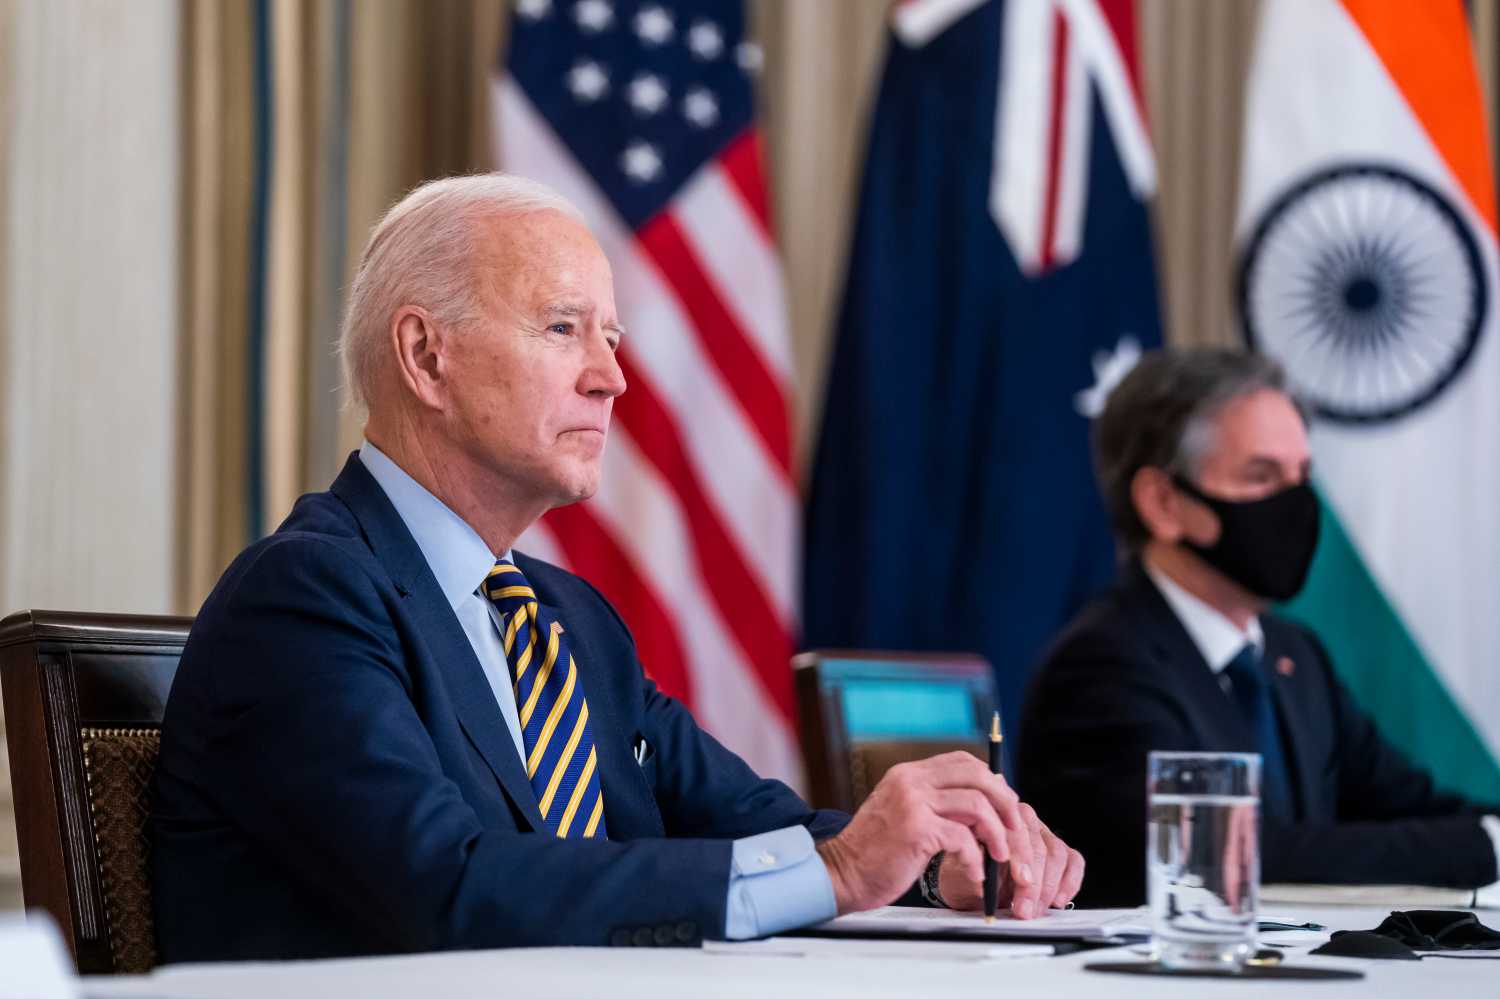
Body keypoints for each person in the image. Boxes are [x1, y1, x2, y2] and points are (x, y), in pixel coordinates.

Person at [150, 174, 1083, 962]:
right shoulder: (308, 595)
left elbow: (750, 819)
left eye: (613, 339)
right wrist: (841, 873)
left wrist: (931, 856)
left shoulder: (572, 621)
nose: (611, 377)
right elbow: (444, 886)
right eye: (563, 329)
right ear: (426, 356)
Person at [1017, 348, 1500, 906]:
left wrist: (1485, 832)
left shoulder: (1294, 657)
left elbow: (1410, 802)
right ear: (1164, 502)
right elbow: (1225, 854)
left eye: (1301, 475)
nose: (1296, 503)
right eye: (1262, 476)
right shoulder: (1101, 666)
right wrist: (1479, 846)